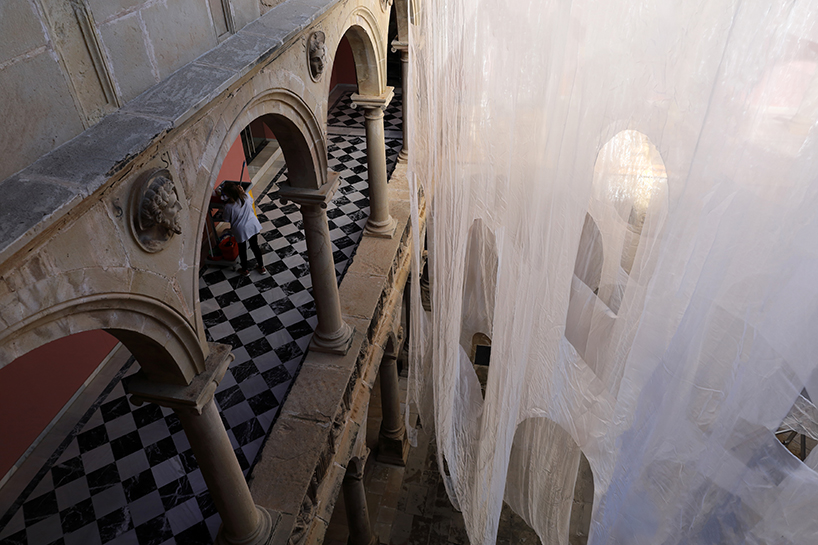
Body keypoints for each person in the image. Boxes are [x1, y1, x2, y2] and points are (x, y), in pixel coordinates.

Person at [218, 182, 266, 276]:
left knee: (242, 249)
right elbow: (250, 201)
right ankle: (261, 267)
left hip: (241, 229)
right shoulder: (246, 197)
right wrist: (243, 192)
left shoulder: (228, 206)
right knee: (255, 246)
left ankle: (245, 270)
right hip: (252, 225)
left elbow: (226, 219)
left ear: (228, 195)